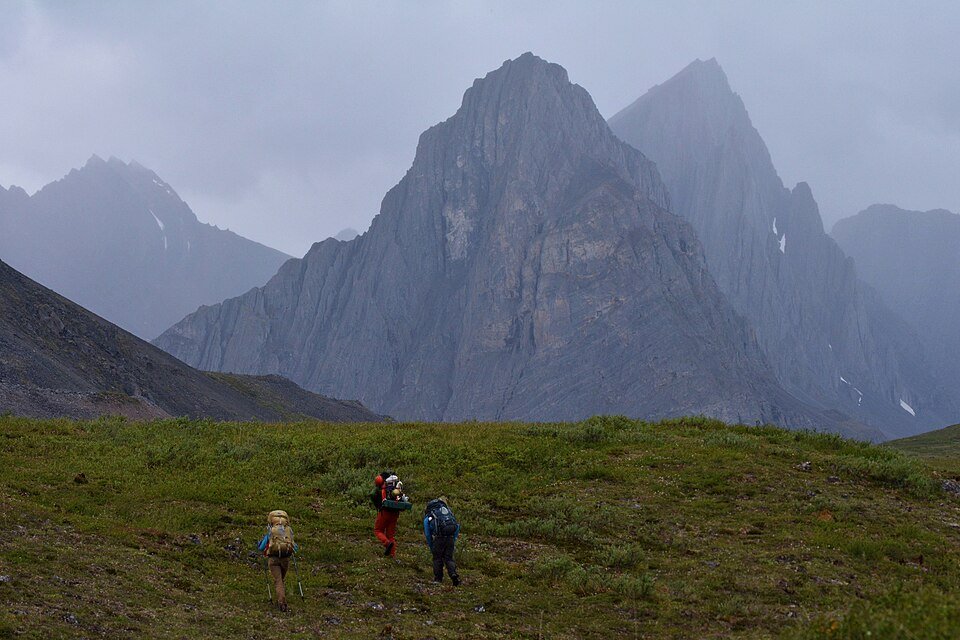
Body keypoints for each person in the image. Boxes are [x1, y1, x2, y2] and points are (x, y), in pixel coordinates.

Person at [257, 509, 299, 611]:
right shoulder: (288, 531)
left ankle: (281, 602)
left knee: (278, 580)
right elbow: (295, 548)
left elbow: (261, 548)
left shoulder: (271, 531)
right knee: (281, 580)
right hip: (285, 559)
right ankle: (282, 599)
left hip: (273, 560)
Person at [423, 496, 460, 586]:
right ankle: (453, 574)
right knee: (449, 558)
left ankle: (438, 579)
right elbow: (457, 526)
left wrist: (431, 545)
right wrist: (453, 538)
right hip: (450, 538)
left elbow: (428, 534)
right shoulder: (448, 513)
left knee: (437, 558)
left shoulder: (430, 516)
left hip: (439, 538)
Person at [372, 471, 405, 557]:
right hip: (395, 513)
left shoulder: (382, 488)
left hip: (385, 512)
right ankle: (392, 555)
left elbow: (372, 495)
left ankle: (387, 543)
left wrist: (378, 506)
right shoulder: (396, 487)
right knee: (390, 535)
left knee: (378, 530)